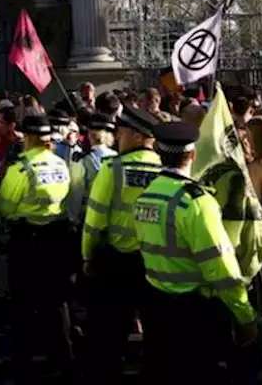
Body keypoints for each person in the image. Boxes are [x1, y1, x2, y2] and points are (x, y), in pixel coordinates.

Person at [134, 121, 257, 384]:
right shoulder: (197, 203)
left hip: (157, 304)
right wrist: (244, 315)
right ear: (192, 155)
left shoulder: (147, 195)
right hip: (193, 314)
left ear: (158, 151)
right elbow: (220, 268)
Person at [81, 104, 163, 382]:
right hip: (156, 263)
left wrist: (88, 256)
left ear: (138, 137)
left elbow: (94, 220)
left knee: (109, 334)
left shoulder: (113, 168)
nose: (117, 137)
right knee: (155, 333)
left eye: (123, 132)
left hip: (117, 263)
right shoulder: (166, 169)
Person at [0, 114, 74, 378]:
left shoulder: (21, 168)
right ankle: (63, 358)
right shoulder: (60, 164)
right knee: (56, 302)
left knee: (23, 303)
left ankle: (23, 362)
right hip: (57, 236)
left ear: (28, 138)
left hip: (27, 239)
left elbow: (6, 206)